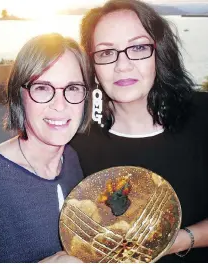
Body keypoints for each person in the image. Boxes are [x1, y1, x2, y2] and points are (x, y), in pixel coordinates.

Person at [71, 0, 208, 262]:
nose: (122, 65)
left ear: (159, 52)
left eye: (137, 47)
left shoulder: (203, 117)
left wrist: (178, 240)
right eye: (106, 52)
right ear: (93, 67)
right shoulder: (79, 143)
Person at [0, 33, 92, 263]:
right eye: (42, 88)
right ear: (19, 95)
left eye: (72, 88)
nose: (60, 105)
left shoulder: (71, 159)